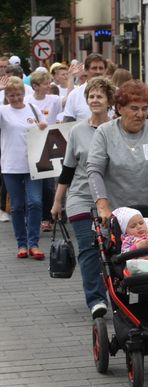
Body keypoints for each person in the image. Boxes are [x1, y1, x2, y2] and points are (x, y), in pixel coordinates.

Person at [51, 77, 115, 319]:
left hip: (111, 199)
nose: (95, 100)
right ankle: (96, 299)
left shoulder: (117, 127)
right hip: (81, 197)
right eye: (91, 96)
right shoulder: (77, 130)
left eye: (100, 96)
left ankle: (116, 293)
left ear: (109, 100)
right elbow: (67, 169)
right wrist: (58, 202)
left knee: (112, 248)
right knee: (89, 248)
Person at [86, 80, 148, 225]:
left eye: (145, 109)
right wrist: (103, 208)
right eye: (134, 108)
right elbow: (95, 171)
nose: (140, 114)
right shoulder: (104, 132)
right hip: (116, 213)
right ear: (120, 108)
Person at [0, 76, 47, 260]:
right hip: (11, 166)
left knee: (35, 202)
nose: (16, 98)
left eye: (18, 94)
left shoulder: (33, 108)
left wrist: (43, 126)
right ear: (7, 95)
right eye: (11, 95)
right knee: (17, 206)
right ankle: (21, 243)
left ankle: (33, 243)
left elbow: (45, 129)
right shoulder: (3, 111)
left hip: (34, 164)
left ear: (23, 93)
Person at [25, 70, 65, 232]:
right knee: (34, 184)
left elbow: (68, 99)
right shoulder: (27, 101)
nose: (49, 86)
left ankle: (46, 218)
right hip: (34, 144)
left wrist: (70, 80)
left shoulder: (54, 99)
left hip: (50, 143)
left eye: (49, 83)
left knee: (49, 185)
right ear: (35, 86)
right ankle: (34, 216)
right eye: (45, 83)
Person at [63, 53, 107, 122]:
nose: (98, 71)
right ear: (86, 70)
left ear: (105, 70)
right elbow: (67, 124)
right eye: (94, 68)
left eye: (101, 68)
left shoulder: (115, 93)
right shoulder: (75, 94)